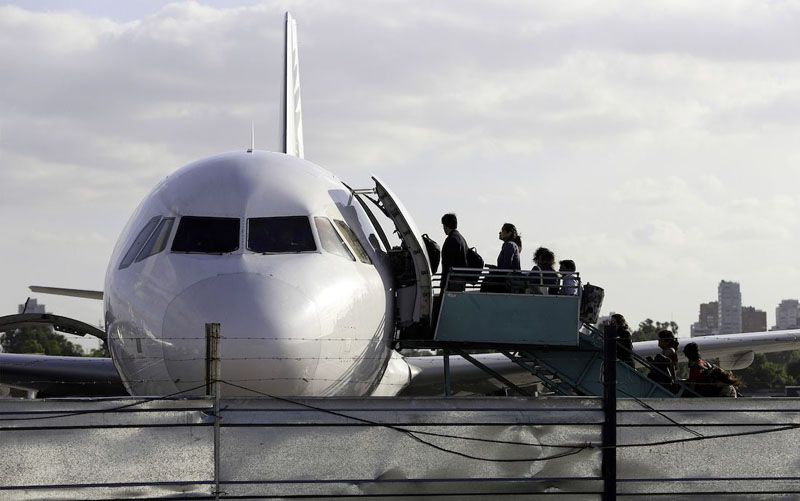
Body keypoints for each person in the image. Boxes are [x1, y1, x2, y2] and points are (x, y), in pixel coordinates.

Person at [440, 213, 468, 291]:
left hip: (452, 280)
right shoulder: (461, 238)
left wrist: (443, 282)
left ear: (445, 226)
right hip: (460, 279)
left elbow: (448, 263)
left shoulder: (451, 239)